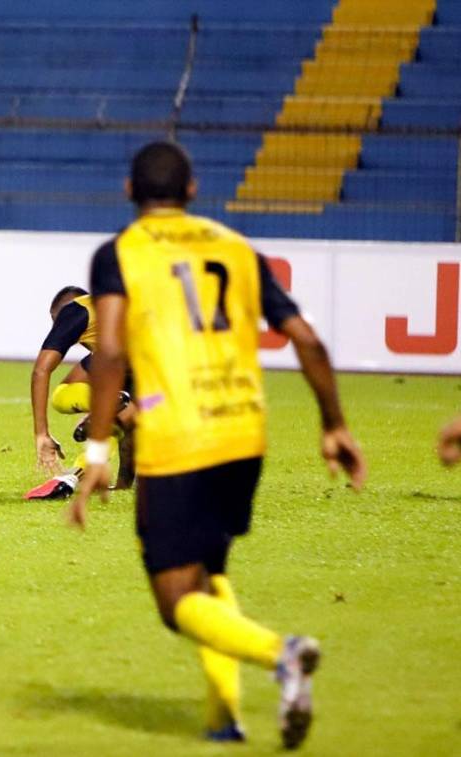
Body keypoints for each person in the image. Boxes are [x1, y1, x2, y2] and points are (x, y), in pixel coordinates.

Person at [67, 141, 366, 749]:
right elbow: (305, 337)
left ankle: (280, 655)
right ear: (194, 190)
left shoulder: (118, 254)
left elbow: (113, 351)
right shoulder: (237, 249)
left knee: (176, 599)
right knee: (211, 569)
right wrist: (333, 423)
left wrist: (96, 452)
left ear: (129, 192)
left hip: (177, 437)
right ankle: (221, 719)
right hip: (244, 433)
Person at [26, 286, 136, 499]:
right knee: (124, 417)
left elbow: (41, 370)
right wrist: (123, 484)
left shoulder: (75, 310)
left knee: (61, 397)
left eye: (55, 322)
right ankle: (75, 477)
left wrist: (41, 433)